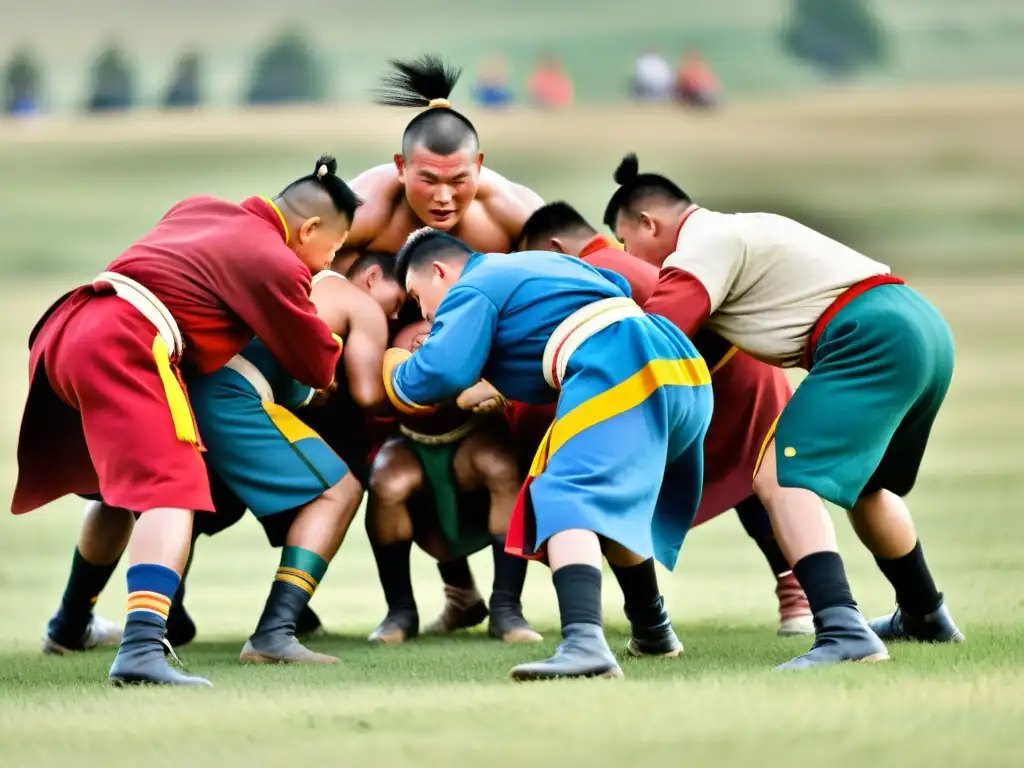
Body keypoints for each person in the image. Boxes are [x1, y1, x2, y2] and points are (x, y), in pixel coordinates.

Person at [603, 153, 963, 670]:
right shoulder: (743, 229)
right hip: (920, 326)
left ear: (649, 223)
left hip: (870, 336)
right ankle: (925, 614)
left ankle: (843, 632)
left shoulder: (701, 245)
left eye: (626, 241)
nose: (631, 254)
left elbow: (653, 336)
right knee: (866, 488)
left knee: (778, 476)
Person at [17, 155, 358, 686]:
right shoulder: (276, 260)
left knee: (119, 495)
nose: (322, 266)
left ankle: (69, 624)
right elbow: (314, 363)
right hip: (128, 343)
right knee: (170, 490)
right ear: (309, 229)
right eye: (331, 251)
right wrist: (332, 329)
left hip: (68, 328)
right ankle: (142, 649)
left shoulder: (200, 207)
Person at [384, 229, 713, 681]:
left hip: (618, 364)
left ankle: (583, 643)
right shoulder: (541, 265)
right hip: (678, 365)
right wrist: (502, 383)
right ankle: (653, 630)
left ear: (439, 272)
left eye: (418, 297)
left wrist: (398, 376)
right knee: (603, 508)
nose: (423, 313)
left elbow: (443, 370)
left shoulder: (474, 284)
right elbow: (597, 305)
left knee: (562, 495)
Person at [516, 201, 813, 636]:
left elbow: (688, 317)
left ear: (556, 247)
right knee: (748, 484)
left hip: (718, 384)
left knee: (750, 483)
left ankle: (795, 600)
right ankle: (789, 601)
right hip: (715, 382)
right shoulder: (608, 266)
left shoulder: (601, 267)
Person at [182, 264, 395, 663]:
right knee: (341, 491)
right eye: (399, 300)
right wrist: (436, 381)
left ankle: (147, 616)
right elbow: (370, 394)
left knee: (186, 504)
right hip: (234, 395)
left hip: (184, 388)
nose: (397, 314)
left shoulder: (282, 282)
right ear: (371, 277)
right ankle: (274, 632)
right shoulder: (359, 304)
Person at [366, 320, 541, 645]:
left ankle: (506, 608)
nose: (428, 325)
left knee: (499, 466)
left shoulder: (473, 299)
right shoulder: (386, 303)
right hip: (405, 438)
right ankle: (400, 610)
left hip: (474, 430)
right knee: (387, 482)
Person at [333, 54, 544, 272]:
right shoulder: (361, 211)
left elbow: (574, 266)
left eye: (457, 181)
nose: (443, 198)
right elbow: (298, 238)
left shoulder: (518, 212)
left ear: (478, 166)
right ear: (401, 167)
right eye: (429, 181)